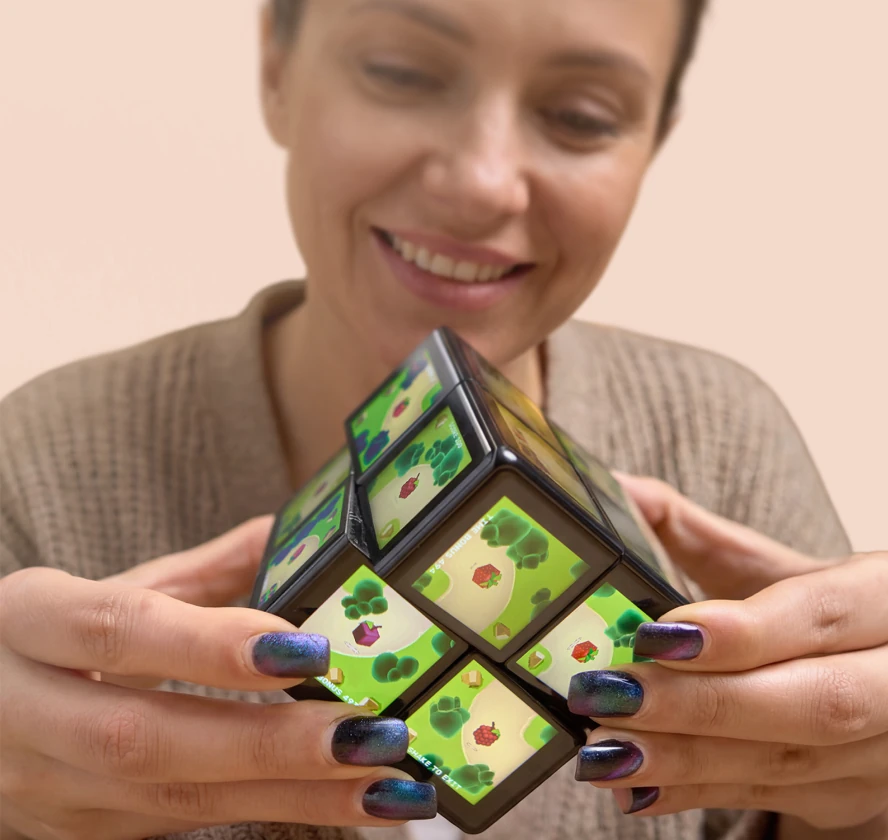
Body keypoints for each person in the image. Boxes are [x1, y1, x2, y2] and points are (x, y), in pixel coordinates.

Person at [1, 1, 885, 839]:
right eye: (401, 71)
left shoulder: (722, 438)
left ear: (655, 139)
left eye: (581, 115)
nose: (480, 184)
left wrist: (861, 803)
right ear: (276, 61)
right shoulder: (38, 469)